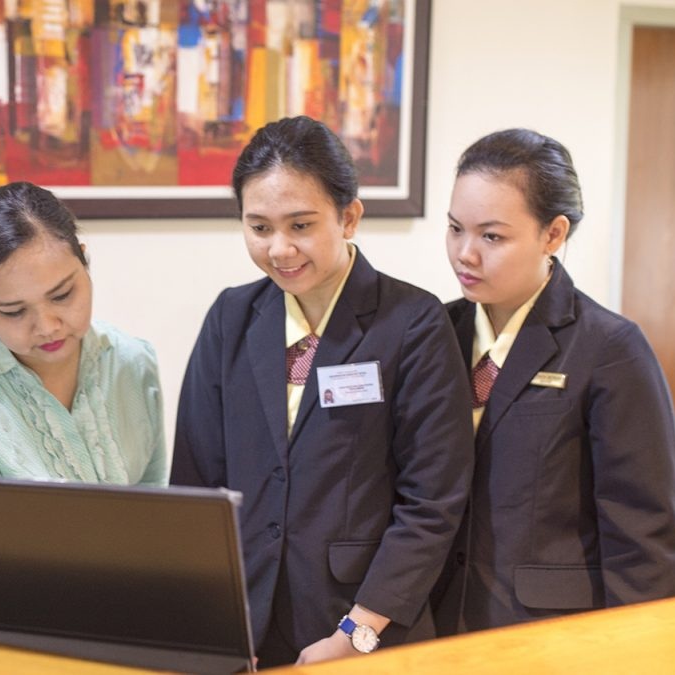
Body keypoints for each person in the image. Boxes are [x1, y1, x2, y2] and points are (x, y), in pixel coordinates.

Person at [171, 116, 474, 666]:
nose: (280, 249)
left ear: (349, 216)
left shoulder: (412, 324)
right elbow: (196, 484)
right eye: (259, 228)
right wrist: (208, 624)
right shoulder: (231, 318)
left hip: (363, 630)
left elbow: (432, 502)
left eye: (301, 225)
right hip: (246, 628)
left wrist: (359, 631)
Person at [433, 128, 675, 633]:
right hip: (433, 626)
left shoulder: (610, 348)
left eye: (491, 236)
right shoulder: (435, 334)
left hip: (550, 632)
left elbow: (644, 536)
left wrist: (636, 651)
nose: (465, 253)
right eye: (456, 228)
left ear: (553, 234)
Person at [0, 181, 166, 485]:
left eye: (62, 295)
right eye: (13, 311)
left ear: (84, 261)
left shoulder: (132, 363)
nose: (47, 327)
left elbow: (155, 506)